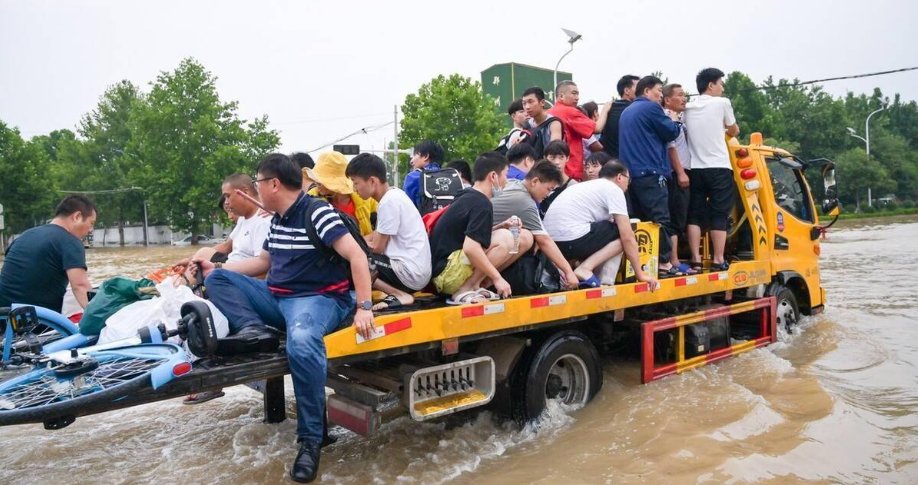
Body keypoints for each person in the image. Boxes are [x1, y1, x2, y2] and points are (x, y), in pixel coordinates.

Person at [197, 153, 374, 483]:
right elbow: (262, 264)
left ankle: (311, 440)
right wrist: (216, 267)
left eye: (259, 182)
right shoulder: (277, 219)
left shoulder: (317, 212)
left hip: (317, 300)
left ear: (273, 184)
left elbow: (357, 256)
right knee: (217, 280)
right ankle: (252, 329)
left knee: (303, 342)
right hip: (279, 298)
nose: (257, 188)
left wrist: (364, 306)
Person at [429, 152, 534, 305]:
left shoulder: (469, 196)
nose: (506, 182)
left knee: (523, 236)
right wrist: (498, 279)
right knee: (506, 238)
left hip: (446, 271)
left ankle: (476, 285)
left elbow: (466, 236)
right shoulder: (481, 203)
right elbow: (471, 247)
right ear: (493, 176)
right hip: (448, 274)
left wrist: (500, 226)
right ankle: (463, 290)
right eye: (505, 175)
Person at [543, 161, 658, 289]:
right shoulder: (613, 189)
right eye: (628, 180)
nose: (628, 185)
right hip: (571, 240)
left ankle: (585, 270)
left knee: (609, 229)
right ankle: (593, 274)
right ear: (619, 177)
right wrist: (640, 274)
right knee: (621, 234)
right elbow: (627, 237)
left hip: (553, 245)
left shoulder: (586, 186)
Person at [346, 153, 431, 310]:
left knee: (353, 259)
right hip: (415, 271)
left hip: (408, 273)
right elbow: (377, 235)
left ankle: (399, 294)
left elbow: (377, 247)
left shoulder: (388, 202)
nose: (354, 189)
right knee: (357, 252)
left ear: (372, 181)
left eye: (355, 183)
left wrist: (350, 247)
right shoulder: (395, 195)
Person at [618, 75, 681, 275]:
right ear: (646, 91)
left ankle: (643, 264)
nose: (661, 95)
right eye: (659, 91)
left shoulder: (627, 112)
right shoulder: (651, 108)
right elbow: (671, 132)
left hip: (631, 175)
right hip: (651, 172)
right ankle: (663, 262)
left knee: (639, 220)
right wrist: (674, 120)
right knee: (659, 219)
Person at [683, 68, 740, 272]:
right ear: (711, 85)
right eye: (721, 83)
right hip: (719, 167)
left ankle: (695, 259)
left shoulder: (687, 108)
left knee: (695, 214)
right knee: (719, 214)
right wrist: (726, 129)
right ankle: (717, 259)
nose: (722, 88)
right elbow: (733, 130)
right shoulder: (722, 103)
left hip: (695, 168)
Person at [491, 160, 579, 290]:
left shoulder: (514, 184)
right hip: (478, 247)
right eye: (549, 189)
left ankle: (487, 281)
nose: (548, 194)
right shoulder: (525, 202)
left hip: (484, 240)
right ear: (535, 181)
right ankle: (482, 283)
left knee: (525, 235)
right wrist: (569, 272)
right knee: (526, 238)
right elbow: (544, 241)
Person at [0, 195, 96, 314]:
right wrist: (103, 319)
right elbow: (80, 286)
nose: (90, 229)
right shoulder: (70, 241)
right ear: (77, 216)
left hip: (4, 319)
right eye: (91, 223)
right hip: (37, 323)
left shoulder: (24, 236)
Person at [662, 83, 696, 274]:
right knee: (676, 217)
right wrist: (681, 172)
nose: (684, 99)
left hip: (684, 169)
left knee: (681, 216)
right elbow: (671, 146)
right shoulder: (668, 118)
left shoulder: (680, 118)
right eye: (680, 95)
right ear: (668, 100)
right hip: (677, 172)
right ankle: (674, 261)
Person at [306, 151, 378, 236]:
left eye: (321, 182)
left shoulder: (364, 197)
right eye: (316, 180)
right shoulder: (312, 197)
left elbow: (383, 226)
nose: (317, 184)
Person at [548, 80, 596, 181]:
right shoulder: (569, 111)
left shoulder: (548, 113)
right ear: (561, 96)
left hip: (551, 169)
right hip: (570, 170)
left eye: (577, 94)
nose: (577, 97)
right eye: (574, 93)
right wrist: (607, 109)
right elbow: (597, 128)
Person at [599, 74, 640, 159]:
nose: (642, 91)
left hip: (609, 162)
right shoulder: (639, 109)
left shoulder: (609, 106)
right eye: (639, 87)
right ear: (627, 90)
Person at [521, 87, 563, 159]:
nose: (527, 107)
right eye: (524, 103)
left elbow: (555, 150)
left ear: (542, 102)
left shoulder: (554, 123)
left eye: (530, 102)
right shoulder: (527, 125)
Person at [402, 140, 445, 209]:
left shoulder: (414, 177)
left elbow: (406, 208)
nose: (411, 161)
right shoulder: (451, 176)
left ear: (426, 156)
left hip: (424, 219)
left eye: (415, 155)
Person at [538, 140, 577, 216]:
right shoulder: (537, 182)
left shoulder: (573, 186)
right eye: (552, 157)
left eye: (561, 157)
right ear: (545, 158)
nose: (557, 162)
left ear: (567, 158)